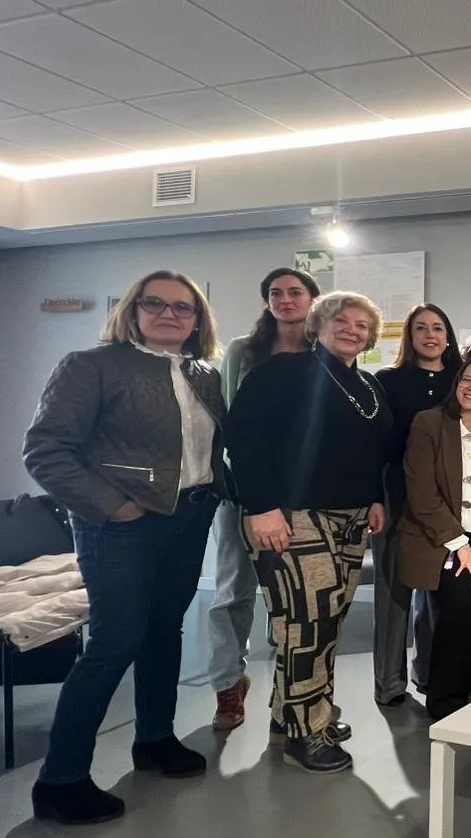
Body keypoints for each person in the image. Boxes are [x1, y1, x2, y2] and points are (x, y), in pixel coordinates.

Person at [23, 270, 225, 825]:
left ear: (197, 320)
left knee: (164, 632)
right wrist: (115, 507)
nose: (169, 314)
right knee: (114, 643)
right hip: (121, 526)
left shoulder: (204, 373)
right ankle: (60, 779)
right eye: (154, 303)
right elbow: (45, 451)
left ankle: (155, 739)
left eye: (183, 308)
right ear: (132, 310)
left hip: (188, 518)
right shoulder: (91, 366)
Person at [225, 291, 394, 774]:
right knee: (305, 623)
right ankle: (306, 731)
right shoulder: (283, 373)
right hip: (292, 516)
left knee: (326, 623)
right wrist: (261, 508)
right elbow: (243, 438)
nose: (352, 329)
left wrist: (375, 498)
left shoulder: (365, 385)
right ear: (318, 324)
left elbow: (374, 451)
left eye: (363, 325)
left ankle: (291, 715)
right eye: (342, 319)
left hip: (351, 518)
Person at [208, 267, 319, 731]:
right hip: (245, 491)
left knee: (295, 600)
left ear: (313, 300)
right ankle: (228, 685)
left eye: (295, 292)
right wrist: (255, 497)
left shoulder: (324, 353)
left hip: (304, 493)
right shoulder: (242, 351)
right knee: (233, 590)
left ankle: (289, 691)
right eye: (275, 293)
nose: (285, 300)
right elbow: (232, 423)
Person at [398, 356, 471, 720]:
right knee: (465, 606)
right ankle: (445, 700)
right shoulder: (429, 423)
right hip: (440, 539)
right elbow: (422, 495)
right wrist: (460, 544)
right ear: (457, 382)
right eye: (468, 379)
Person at [371, 304, 464, 707]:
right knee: (393, 592)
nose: (430, 335)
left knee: (437, 593)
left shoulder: (461, 380)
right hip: (396, 495)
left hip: (446, 500)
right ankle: (389, 682)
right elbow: (375, 446)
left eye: (438, 328)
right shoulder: (386, 381)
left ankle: (428, 673)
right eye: (421, 328)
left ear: (448, 336)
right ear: (408, 337)